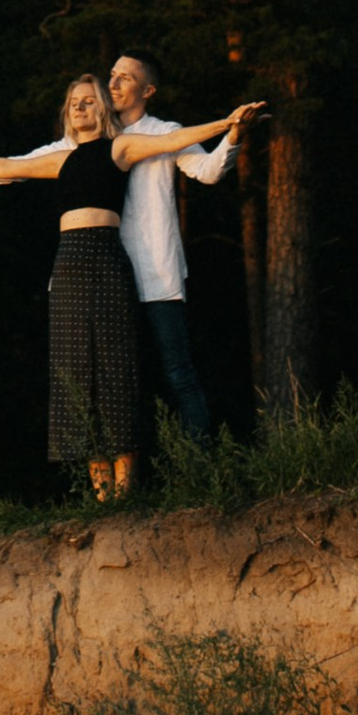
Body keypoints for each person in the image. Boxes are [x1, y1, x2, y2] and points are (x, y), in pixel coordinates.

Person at [0, 76, 263, 502]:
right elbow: (7, 166)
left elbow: (174, 140)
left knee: (115, 367)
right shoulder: (61, 158)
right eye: (74, 102)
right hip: (68, 264)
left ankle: (126, 494)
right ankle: (101, 499)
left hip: (107, 258)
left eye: (89, 101)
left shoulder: (120, 148)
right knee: (77, 370)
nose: (79, 107)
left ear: (103, 111)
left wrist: (226, 124)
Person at [104, 51, 229, 447]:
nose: (113, 84)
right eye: (112, 75)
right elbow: (29, 162)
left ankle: (199, 471)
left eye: (125, 77)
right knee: (121, 383)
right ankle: (131, 478)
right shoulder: (96, 136)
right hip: (111, 276)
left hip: (158, 274)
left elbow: (208, 171)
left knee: (179, 375)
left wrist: (235, 135)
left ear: (148, 90)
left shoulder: (166, 131)